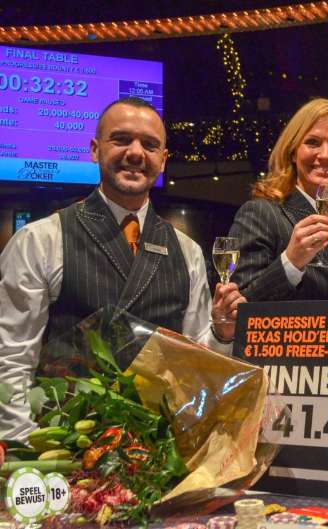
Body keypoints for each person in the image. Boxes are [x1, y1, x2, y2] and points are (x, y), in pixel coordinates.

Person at [0, 97, 245, 440]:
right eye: (121, 139)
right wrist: (24, 448)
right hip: (64, 444)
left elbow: (194, 361)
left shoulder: (187, 251)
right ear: (95, 150)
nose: (135, 152)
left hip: (157, 446)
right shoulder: (40, 239)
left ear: (163, 159)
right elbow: (11, 358)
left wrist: (221, 333)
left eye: (150, 145)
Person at [229, 98, 328, 301]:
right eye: (313, 142)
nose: (325, 155)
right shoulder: (260, 214)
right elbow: (239, 309)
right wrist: (291, 263)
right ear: (293, 152)